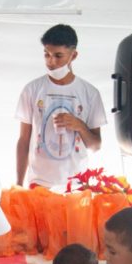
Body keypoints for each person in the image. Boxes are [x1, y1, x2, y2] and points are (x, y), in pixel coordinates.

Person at [15, 24, 106, 191]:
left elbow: (95, 146)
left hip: (77, 184)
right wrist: (19, 183)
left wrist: (79, 126)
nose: (51, 62)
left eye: (58, 56)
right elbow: (24, 140)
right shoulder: (32, 89)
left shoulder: (90, 93)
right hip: (40, 182)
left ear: (74, 55)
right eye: (47, 55)